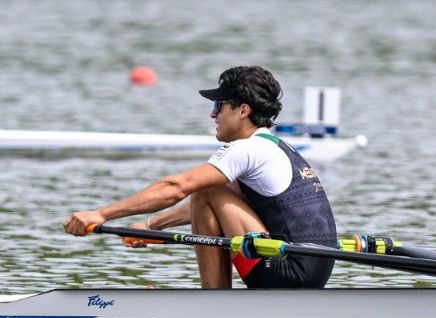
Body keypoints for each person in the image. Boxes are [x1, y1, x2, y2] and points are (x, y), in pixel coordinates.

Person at [63, 66, 338, 289]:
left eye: (219, 105)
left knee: (206, 189)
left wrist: (101, 214)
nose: (212, 113)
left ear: (243, 110)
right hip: (314, 269)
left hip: (285, 272)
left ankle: (213, 298)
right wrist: (152, 225)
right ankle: (214, 300)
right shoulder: (276, 146)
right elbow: (215, 206)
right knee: (211, 192)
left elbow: (175, 188)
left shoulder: (246, 149)